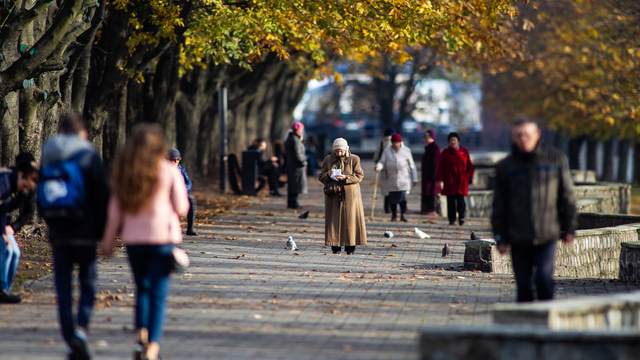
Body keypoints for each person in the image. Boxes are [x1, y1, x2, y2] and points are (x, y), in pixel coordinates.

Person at [102, 124, 189, 360]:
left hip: (134, 240)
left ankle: (140, 337)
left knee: (142, 288)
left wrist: (108, 242)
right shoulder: (168, 170)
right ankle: (152, 349)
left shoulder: (126, 171)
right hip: (162, 240)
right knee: (158, 294)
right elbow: (182, 208)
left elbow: (115, 210)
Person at [41, 114, 110, 360]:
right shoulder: (89, 155)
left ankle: (71, 340)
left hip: (59, 231)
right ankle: (81, 332)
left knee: (63, 288)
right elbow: (101, 195)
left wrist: (50, 221)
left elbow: (44, 189)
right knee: (88, 284)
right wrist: (104, 232)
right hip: (85, 233)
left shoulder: (49, 152)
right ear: (83, 134)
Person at [492, 118, 576, 303]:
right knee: (524, 286)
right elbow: (499, 205)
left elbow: (566, 195)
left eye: (527, 135)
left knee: (544, 279)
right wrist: (500, 237)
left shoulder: (555, 159)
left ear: (537, 135)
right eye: (519, 135)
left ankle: (547, 320)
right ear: (513, 138)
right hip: (518, 236)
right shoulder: (506, 166)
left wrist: (569, 227)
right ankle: (525, 327)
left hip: (547, 234)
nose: (524, 139)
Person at [0, 153, 38, 304]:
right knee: (5, 249)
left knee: (14, 252)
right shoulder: (6, 180)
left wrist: (12, 228)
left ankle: (5, 289)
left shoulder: (30, 185)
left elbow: (28, 211)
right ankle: (2, 288)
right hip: (2, 224)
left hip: (5, 224)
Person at [319, 138, 367, 255]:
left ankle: (350, 247)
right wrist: (328, 175)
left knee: (350, 221)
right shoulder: (328, 160)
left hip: (350, 195)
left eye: (341, 151)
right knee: (334, 221)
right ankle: (335, 247)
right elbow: (321, 177)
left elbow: (359, 175)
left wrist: (346, 178)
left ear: (346, 149)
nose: (339, 154)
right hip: (333, 195)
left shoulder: (354, 159)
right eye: (337, 151)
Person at [375, 134, 418, 222]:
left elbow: (412, 166)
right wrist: (378, 167)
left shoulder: (406, 151)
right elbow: (382, 161)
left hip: (404, 179)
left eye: (397, 143)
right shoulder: (387, 151)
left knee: (403, 198)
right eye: (394, 143)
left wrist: (415, 179)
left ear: (400, 142)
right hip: (391, 179)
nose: (396, 145)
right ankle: (394, 215)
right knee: (393, 199)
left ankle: (403, 214)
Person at [436, 132, 474, 226]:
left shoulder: (464, 152)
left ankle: (462, 217)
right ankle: (452, 220)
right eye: (451, 140)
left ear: (458, 141)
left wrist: (468, 175)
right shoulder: (445, 153)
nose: (453, 142)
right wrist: (440, 180)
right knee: (451, 201)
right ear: (449, 142)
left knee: (461, 200)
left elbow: (470, 166)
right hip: (449, 181)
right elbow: (440, 167)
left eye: (454, 140)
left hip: (461, 181)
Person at [168, 148, 198, 235]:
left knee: (192, 201)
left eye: (177, 159)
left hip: (181, 193)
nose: (175, 161)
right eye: (173, 159)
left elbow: (189, 182)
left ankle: (190, 228)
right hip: (168, 194)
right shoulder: (163, 170)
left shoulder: (181, 169)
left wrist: (184, 191)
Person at [285, 122, 308, 209]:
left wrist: (301, 140)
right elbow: (297, 153)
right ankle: (293, 202)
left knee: (294, 184)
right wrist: (303, 162)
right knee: (295, 184)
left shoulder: (292, 138)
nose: (302, 131)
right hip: (296, 165)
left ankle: (292, 202)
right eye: (301, 130)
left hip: (293, 164)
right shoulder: (294, 140)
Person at [373, 128, 396, 213]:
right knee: (396, 189)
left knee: (386, 190)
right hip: (395, 169)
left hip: (383, 169)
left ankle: (387, 208)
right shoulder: (397, 142)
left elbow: (376, 155)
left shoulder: (382, 143)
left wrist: (377, 164)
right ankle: (397, 208)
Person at [421, 129, 441, 215]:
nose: (425, 138)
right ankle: (425, 209)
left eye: (427, 137)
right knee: (426, 191)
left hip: (432, 175)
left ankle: (432, 209)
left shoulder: (435, 148)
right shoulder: (428, 147)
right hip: (426, 174)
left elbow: (436, 163)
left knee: (432, 192)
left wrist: (434, 175)